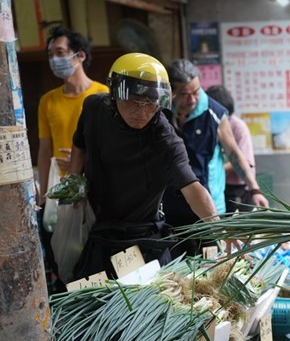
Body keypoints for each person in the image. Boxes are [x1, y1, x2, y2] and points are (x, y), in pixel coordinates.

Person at [69, 53, 219, 279]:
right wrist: (74, 181)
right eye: (133, 102)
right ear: (113, 95)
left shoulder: (165, 138)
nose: (141, 112)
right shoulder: (94, 108)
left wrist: (219, 229)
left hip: (143, 240)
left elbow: (193, 188)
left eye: (150, 103)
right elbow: (79, 144)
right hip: (98, 230)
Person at [36, 27, 108, 291]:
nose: (54, 59)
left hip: (96, 191)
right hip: (62, 194)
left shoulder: (102, 95)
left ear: (79, 56)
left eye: (60, 53)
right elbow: (45, 150)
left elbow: (111, 147)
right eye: (50, 54)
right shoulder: (47, 101)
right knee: (64, 257)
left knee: (94, 256)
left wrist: (83, 161)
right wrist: (43, 193)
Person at [164, 60, 268, 234]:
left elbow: (234, 152)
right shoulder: (161, 113)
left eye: (196, 92)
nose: (192, 99)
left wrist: (254, 189)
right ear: (171, 91)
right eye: (184, 94)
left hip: (208, 208)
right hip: (169, 208)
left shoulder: (214, 113)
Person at [205, 85, 258, 213]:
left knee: (238, 229)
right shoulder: (209, 124)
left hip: (239, 187)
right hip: (220, 186)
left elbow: (244, 161)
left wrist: (218, 169)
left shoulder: (238, 127)